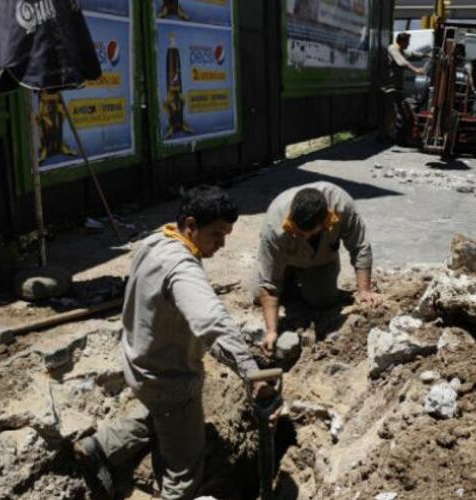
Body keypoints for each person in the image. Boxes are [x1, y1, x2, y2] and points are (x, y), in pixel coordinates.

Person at [74, 186, 272, 500]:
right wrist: (250, 370)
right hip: (170, 380)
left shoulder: (156, 240)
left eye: (227, 234)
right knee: (185, 465)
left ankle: (100, 447)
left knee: (160, 416)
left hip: (139, 363)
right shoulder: (181, 268)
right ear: (190, 224)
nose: (222, 244)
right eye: (216, 234)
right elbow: (212, 321)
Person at [255, 182, 382, 356]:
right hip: (283, 261)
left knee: (323, 300)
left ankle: (305, 289)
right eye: (298, 233)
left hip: (320, 261)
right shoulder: (274, 224)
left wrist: (365, 291)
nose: (305, 237)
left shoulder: (342, 205)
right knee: (258, 295)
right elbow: (269, 285)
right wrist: (271, 332)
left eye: (310, 233)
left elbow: (360, 247)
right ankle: (290, 285)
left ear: (324, 220)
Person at [381, 32, 427, 142]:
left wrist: (426, 55)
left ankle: (393, 135)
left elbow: (411, 54)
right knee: (394, 113)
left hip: (397, 87)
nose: (409, 44)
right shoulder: (393, 49)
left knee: (401, 112)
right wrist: (416, 70)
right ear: (402, 41)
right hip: (390, 87)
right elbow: (402, 62)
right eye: (407, 42)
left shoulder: (402, 50)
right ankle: (389, 136)